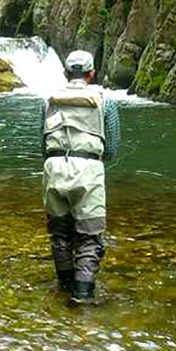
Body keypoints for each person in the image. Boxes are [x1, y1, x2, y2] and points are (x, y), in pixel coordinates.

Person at [41, 49, 120, 303]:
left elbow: (43, 144)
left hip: (54, 168)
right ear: (92, 73)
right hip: (88, 168)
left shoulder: (48, 100)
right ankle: (82, 295)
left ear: (65, 73)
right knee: (89, 236)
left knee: (60, 233)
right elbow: (112, 148)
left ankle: (64, 285)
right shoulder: (106, 101)